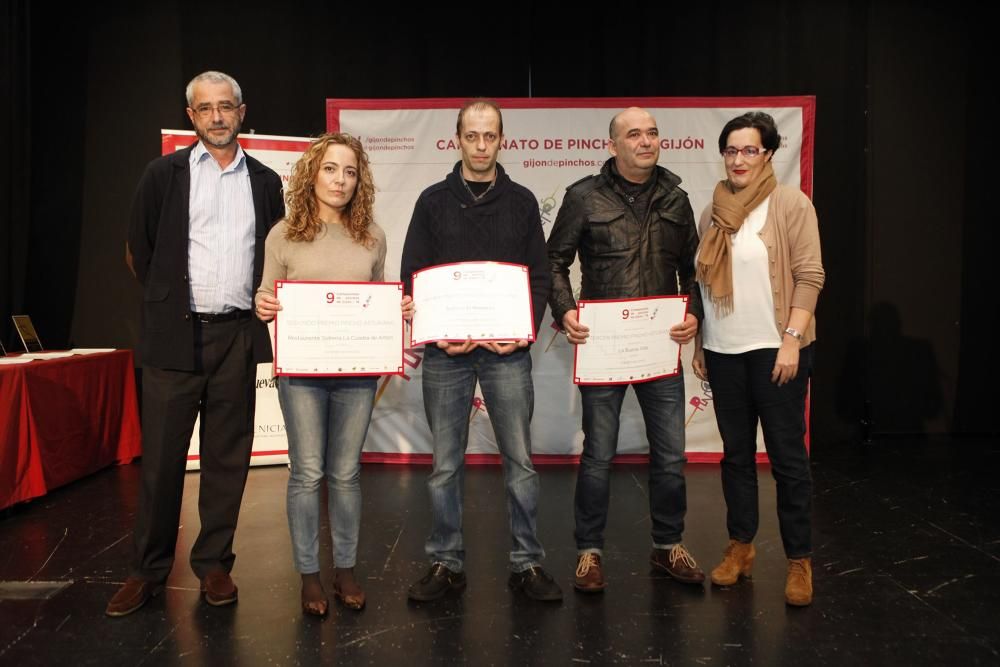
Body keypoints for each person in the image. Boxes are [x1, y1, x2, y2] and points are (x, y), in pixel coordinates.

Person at [108, 71, 284, 616]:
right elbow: (141, 250)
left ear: (241, 111)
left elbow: (275, 255)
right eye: (205, 108)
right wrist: (172, 305)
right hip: (174, 338)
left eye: (225, 107)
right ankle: (147, 571)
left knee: (227, 461)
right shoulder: (163, 174)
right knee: (161, 464)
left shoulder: (265, 180)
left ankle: (213, 567)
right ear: (192, 116)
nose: (216, 117)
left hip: (236, 335)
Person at [400, 99, 561, 602]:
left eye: (490, 136)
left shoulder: (521, 201)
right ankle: (446, 562)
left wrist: (523, 331)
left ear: (501, 139)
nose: (481, 145)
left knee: (521, 462)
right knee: (445, 464)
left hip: (507, 351)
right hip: (446, 354)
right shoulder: (431, 201)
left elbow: (539, 277)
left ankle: (526, 564)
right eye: (472, 136)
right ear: (457, 139)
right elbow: (413, 275)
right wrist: (434, 328)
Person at [254, 133, 413, 616]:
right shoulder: (282, 235)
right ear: (311, 173)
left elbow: (381, 298)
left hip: (356, 373)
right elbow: (265, 297)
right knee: (306, 473)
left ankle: (344, 570)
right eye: (330, 169)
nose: (340, 180)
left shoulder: (373, 236)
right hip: (300, 373)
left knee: (345, 474)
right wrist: (263, 305)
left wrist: (398, 308)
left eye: (349, 171)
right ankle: (309, 576)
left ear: (358, 179)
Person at [547, 107, 705, 593]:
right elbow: (554, 262)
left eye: (653, 132)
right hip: (606, 349)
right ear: (612, 145)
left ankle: (668, 545)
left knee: (671, 455)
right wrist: (566, 312)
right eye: (634, 134)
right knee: (597, 455)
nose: (646, 141)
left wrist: (694, 314)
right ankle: (588, 552)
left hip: (660, 348)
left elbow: (694, 272)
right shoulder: (583, 197)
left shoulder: (677, 200)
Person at [691, 111, 824, 606]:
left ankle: (799, 561)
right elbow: (702, 285)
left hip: (777, 351)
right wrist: (702, 343)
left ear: (769, 154)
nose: (739, 159)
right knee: (736, 458)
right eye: (732, 150)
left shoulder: (791, 203)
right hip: (725, 353)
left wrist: (792, 338)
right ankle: (740, 548)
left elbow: (810, 275)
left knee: (788, 461)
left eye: (750, 150)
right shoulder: (712, 212)